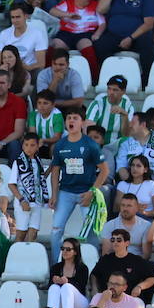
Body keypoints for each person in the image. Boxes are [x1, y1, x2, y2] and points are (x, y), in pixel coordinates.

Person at [47, 108, 108, 261]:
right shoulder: (60, 145)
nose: (71, 121)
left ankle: (94, 266)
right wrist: (54, 195)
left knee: (92, 231)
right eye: (69, 118)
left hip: (85, 192)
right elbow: (55, 171)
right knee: (55, 230)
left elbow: (104, 171)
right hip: (65, 192)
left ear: (82, 123)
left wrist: (92, 192)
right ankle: (56, 265)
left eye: (75, 118)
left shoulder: (90, 144)